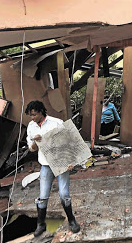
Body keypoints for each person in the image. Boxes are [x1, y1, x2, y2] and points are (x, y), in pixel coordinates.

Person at [24, 100, 80, 237]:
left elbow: (69, 142)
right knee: (43, 196)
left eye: (34, 114)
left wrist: (71, 160)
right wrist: (35, 143)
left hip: (61, 162)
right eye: (30, 115)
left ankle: (72, 220)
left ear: (41, 111)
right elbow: (31, 149)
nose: (32, 118)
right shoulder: (31, 126)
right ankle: (40, 224)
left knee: (64, 194)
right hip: (45, 164)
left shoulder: (56, 122)